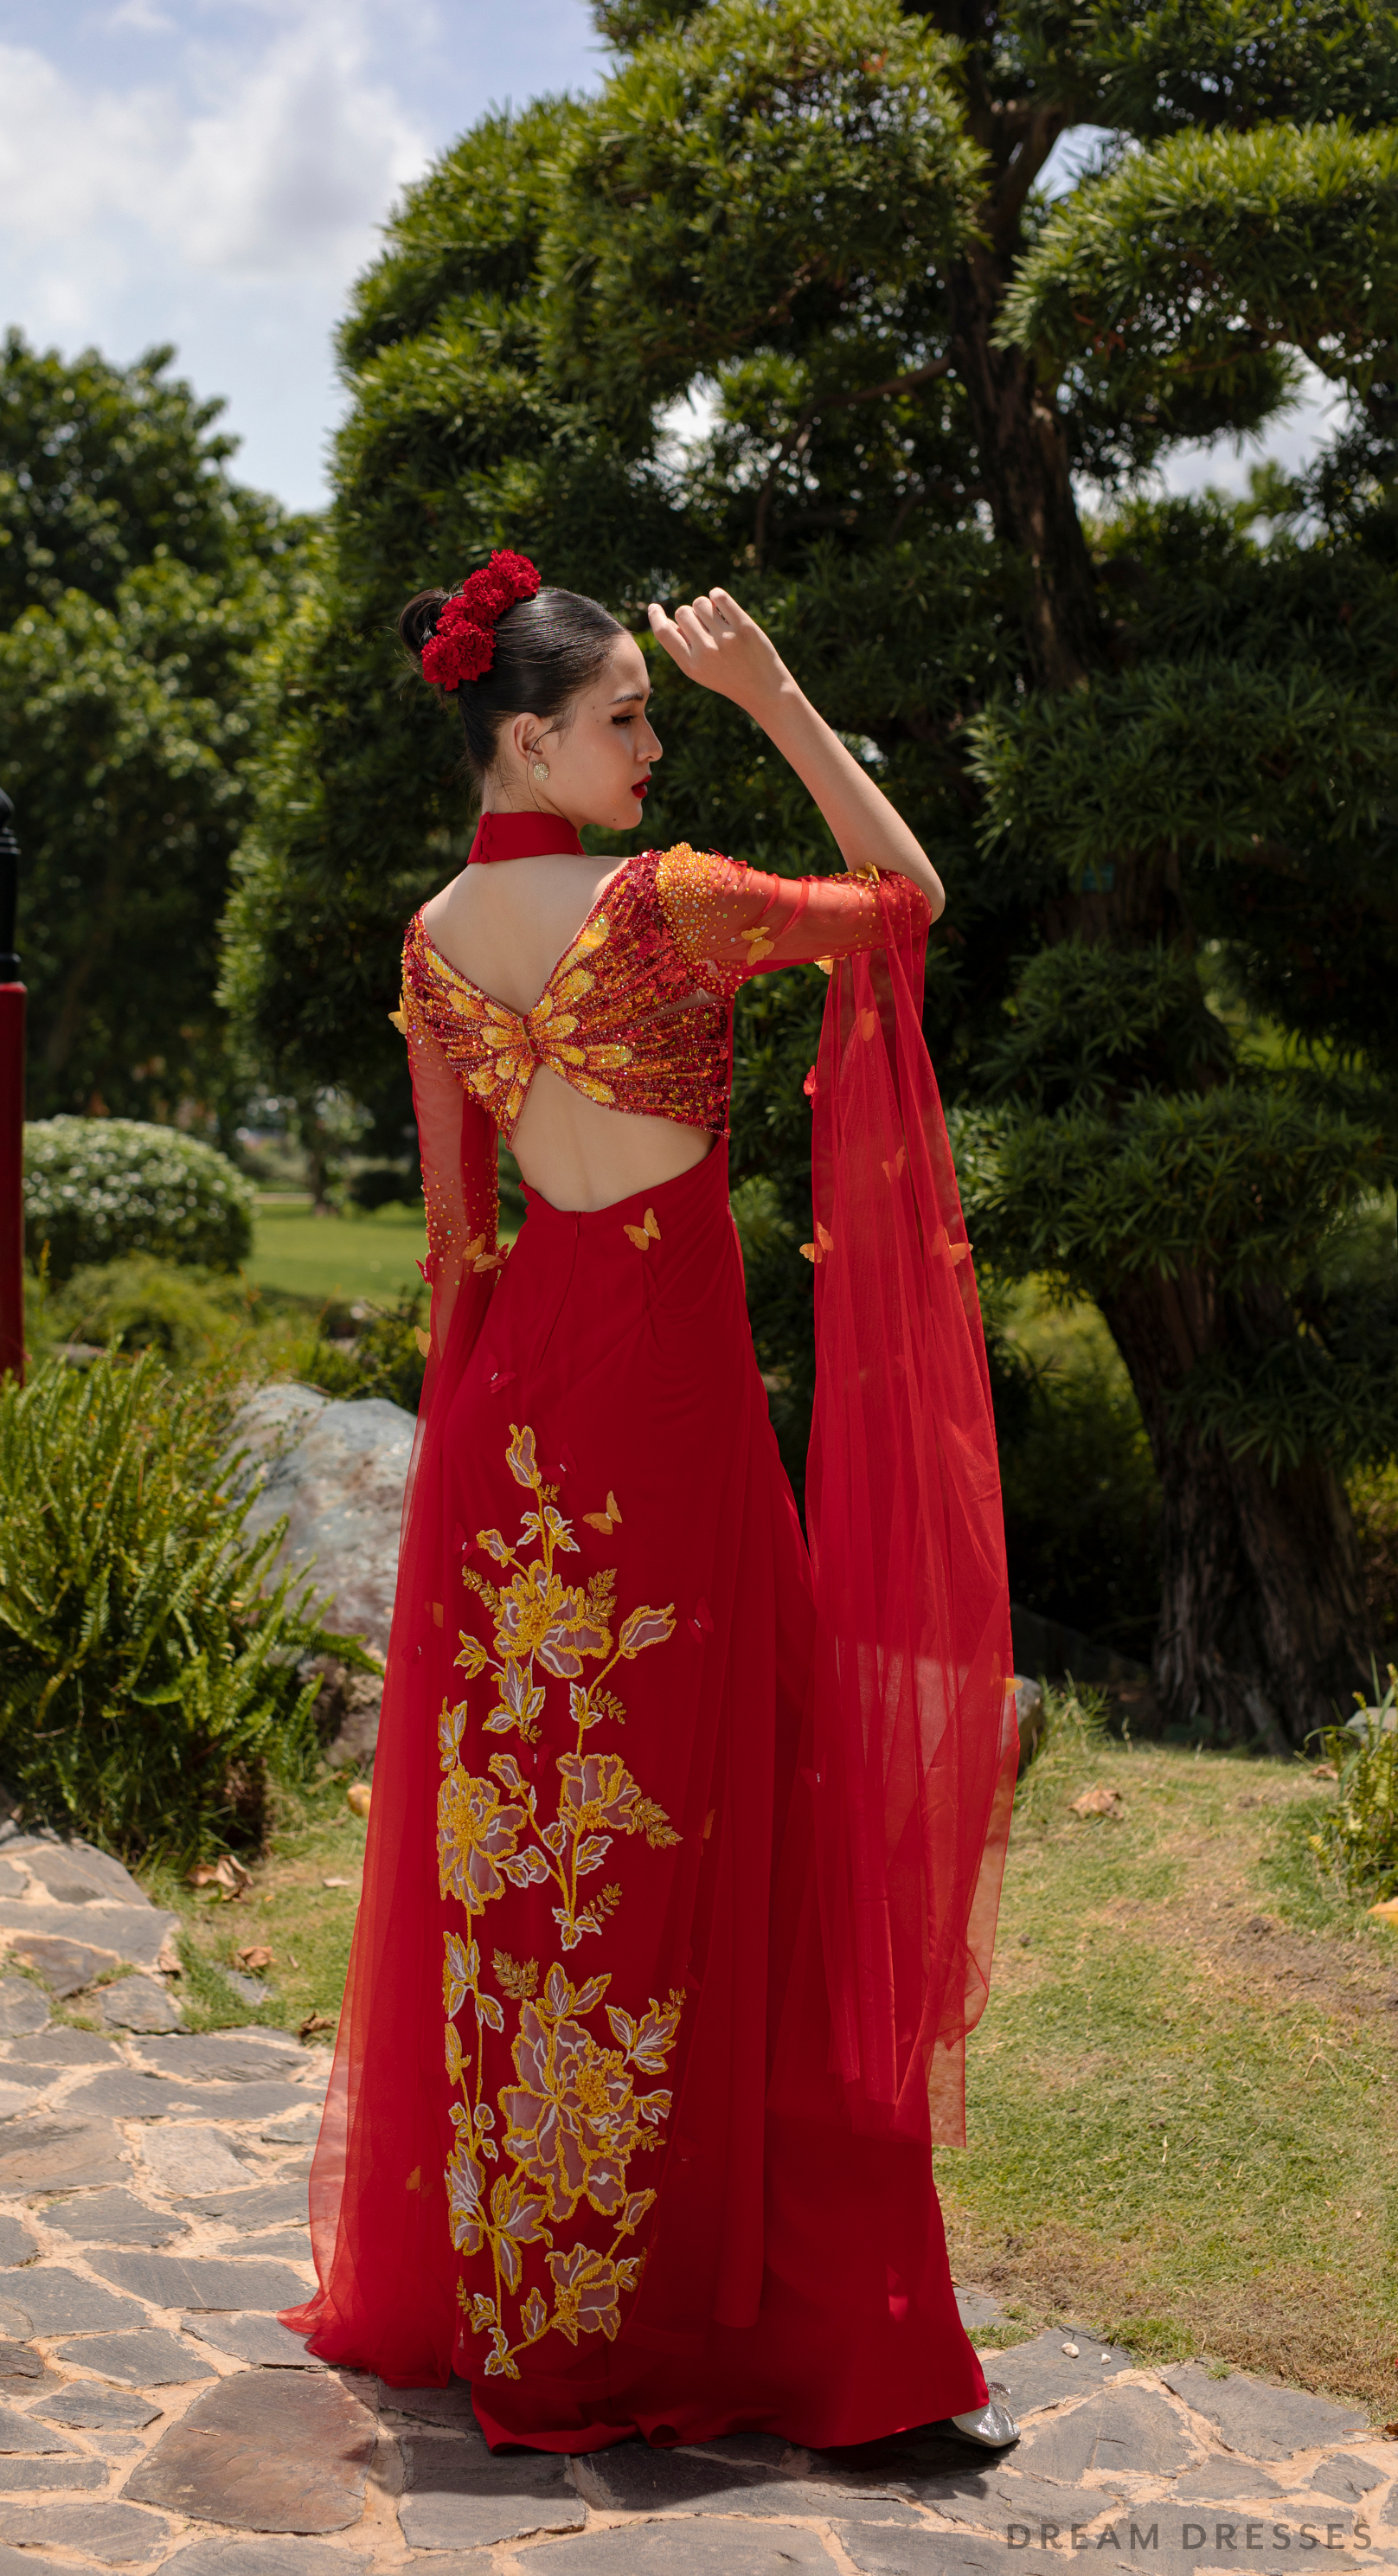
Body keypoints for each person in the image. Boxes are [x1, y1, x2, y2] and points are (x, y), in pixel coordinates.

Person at [282, 549, 1018, 2457]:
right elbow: (908, 901)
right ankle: (816, 2346)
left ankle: (545, 2313)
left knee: (544, 1872)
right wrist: (780, 701)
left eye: (663, 720)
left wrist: (457, 1522)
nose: (649, 750)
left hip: (520, 1436)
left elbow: (459, 1257)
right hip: (677, 1420)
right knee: (757, 1835)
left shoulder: (437, 940)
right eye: (625, 719)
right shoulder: (667, 903)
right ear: (526, 728)